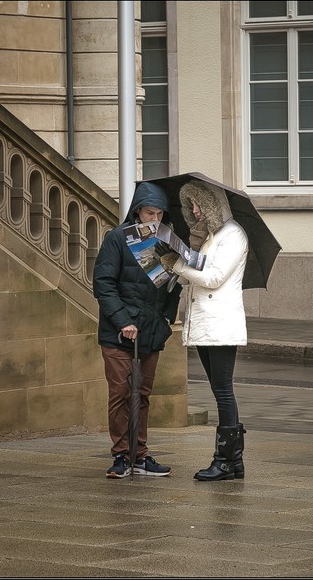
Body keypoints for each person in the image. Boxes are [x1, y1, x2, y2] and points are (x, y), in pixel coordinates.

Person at [160, 180, 249, 482]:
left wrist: (179, 266)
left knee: (223, 391)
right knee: (219, 390)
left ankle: (224, 461)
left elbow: (213, 278)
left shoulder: (233, 235)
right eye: (191, 205)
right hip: (205, 321)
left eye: (198, 203)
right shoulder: (209, 236)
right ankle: (234, 461)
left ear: (212, 204)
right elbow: (195, 278)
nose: (194, 210)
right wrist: (176, 261)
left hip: (221, 323)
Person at [93, 181, 182, 479]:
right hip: (120, 333)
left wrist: (166, 319)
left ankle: (139, 456)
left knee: (142, 394)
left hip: (152, 331)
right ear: (137, 212)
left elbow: (173, 286)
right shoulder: (116, 239)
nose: (154, 219)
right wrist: (123, 322)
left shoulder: (166, 241)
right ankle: (121, 455)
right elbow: (103, 284)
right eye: (148, 213)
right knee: (120, 393)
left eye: (158, 214)